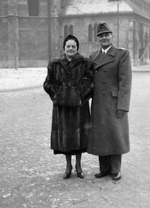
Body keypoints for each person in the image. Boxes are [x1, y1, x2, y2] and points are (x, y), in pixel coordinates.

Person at [43, 35, 94, 179]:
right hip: (62, 107)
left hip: (79, 106)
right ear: (64, 48)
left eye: (73, 46)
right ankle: (68, 166)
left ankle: (78, 165)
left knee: (79, 137)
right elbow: (48, 84)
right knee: (65, 137)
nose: (70, 49)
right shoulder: (55, 64)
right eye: (68, 46)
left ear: (77, 48)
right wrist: (58, 95)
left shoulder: (85, 63)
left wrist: (79, 96)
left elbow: (90, 83)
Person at [88, 22, 132, 181]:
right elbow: (88, 79)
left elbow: (125, 83)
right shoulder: (93, 56)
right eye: (101, 36)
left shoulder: (122, 54)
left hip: (114, 103)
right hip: (99, 102)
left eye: (107, 35)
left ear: (112, 36)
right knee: (101, 135)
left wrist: (123, 105)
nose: (104, 38)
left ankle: (115, 169)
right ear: (98, 38)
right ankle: (104, 168)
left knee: (115, 135)